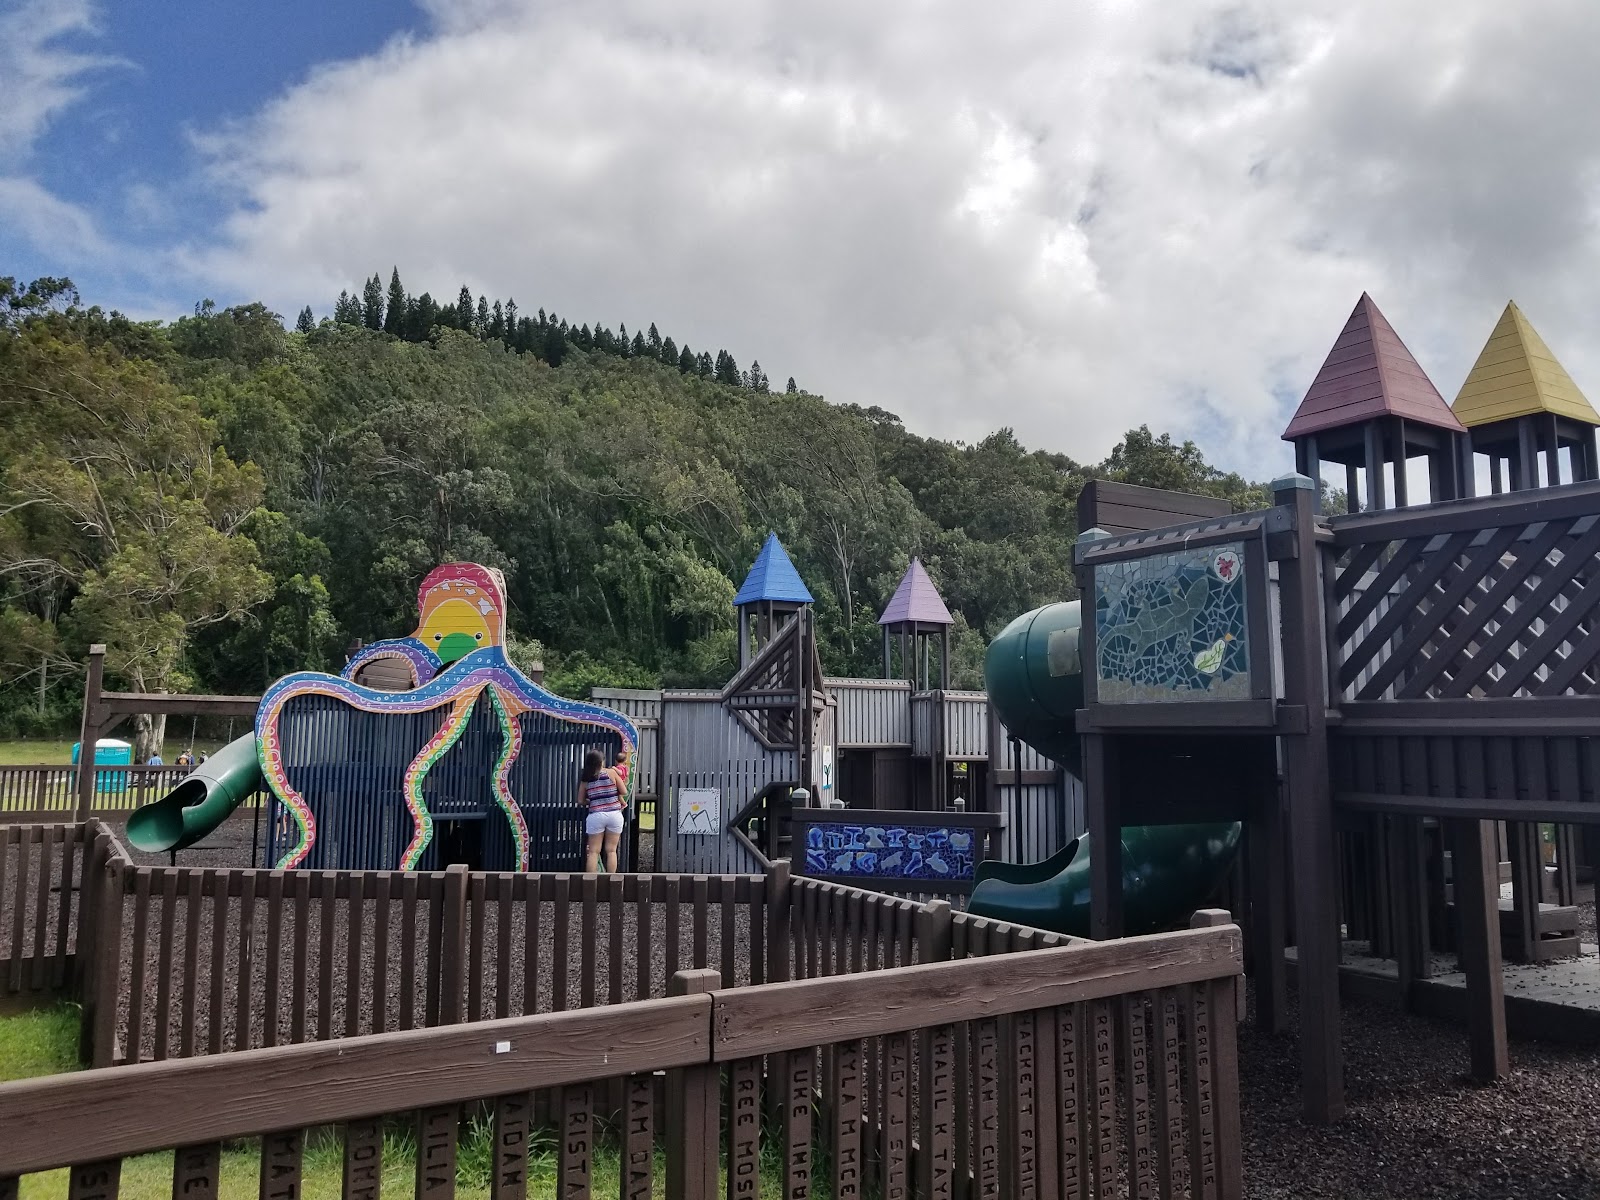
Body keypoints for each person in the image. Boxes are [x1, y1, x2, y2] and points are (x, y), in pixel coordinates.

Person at [577, 746, 631, 874]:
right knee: (611, 851)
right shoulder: (611, 773)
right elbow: (623, 791)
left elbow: (580, 801)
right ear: (602, 762)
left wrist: (591, 801)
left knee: (593, 852)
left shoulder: (586, 778)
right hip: (614, 814)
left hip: (596, 815)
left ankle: (590, 882)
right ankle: (611, 880)